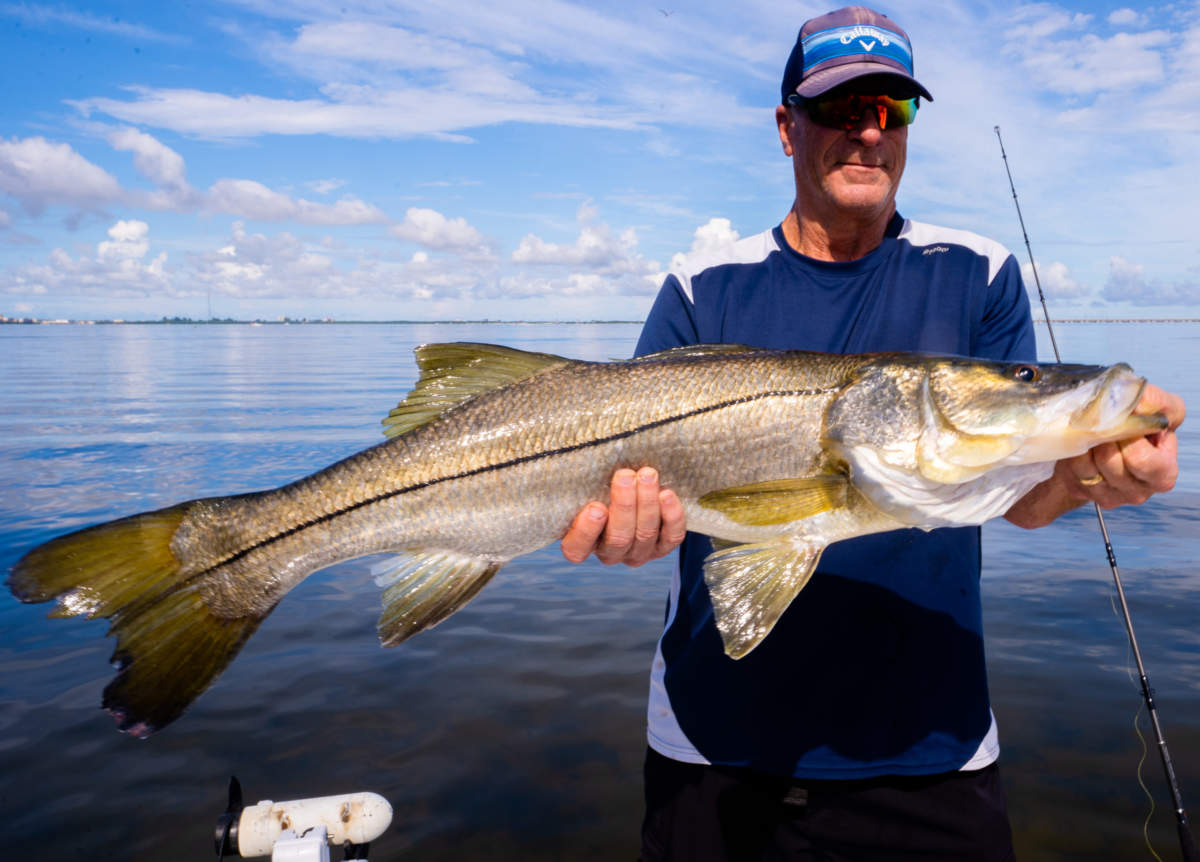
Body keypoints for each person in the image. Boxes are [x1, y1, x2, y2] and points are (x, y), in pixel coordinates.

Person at [560, 6, 1186, 861]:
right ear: (787, 128)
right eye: (837, 107)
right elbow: (630, 495)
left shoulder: (979, 270)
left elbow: (1017, 498)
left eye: (891, 109)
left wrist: (1086, 477)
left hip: (932, 747)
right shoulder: (702, 283)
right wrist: (623, 533)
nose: (867, 132)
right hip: (712, 747)